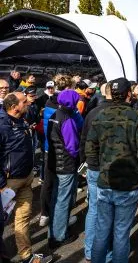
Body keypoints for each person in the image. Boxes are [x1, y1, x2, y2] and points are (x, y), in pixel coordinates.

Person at [86, 77, 138, 263]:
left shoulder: (100, 115)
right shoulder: (136, 116)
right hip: (127, 184)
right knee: (121, 233)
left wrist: (102, 168)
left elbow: (90, 148)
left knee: (102, 231)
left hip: (106, 182)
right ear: (128, 94)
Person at [0, 92, 52, 263]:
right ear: (14, 107)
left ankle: (26, 256)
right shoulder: (2, 125)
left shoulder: (22, 120)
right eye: (24, 101)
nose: (28, 103)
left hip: (26, 179)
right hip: (8, 183)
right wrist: (2, 184)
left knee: (23, 218)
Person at [39, 74, 82, 227]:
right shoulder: (68, 108)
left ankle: (45, 214)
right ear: (69, 87)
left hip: (48, 148)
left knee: (48, 182)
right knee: (64, 188)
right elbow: (78, 126)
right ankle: (61, 219)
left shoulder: (49, 102)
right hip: (65, 151)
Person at [80, 82, 113, 263]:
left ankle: (89, 251)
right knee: (107, 211)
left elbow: (83, 139)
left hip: (92, 166)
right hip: (108, 167)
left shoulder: (91, 113)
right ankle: (104, 254)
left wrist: (83, 163)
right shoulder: (118, 113)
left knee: (93, 208)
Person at [47, 90, 83, 249]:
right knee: (63, 200)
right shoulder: (67, 119)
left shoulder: (54, 115)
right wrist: (79, 157)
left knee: (56, 198)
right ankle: (59, 235)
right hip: (66, 164)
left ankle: (53, 232)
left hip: (55, 161)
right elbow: (72, 146)